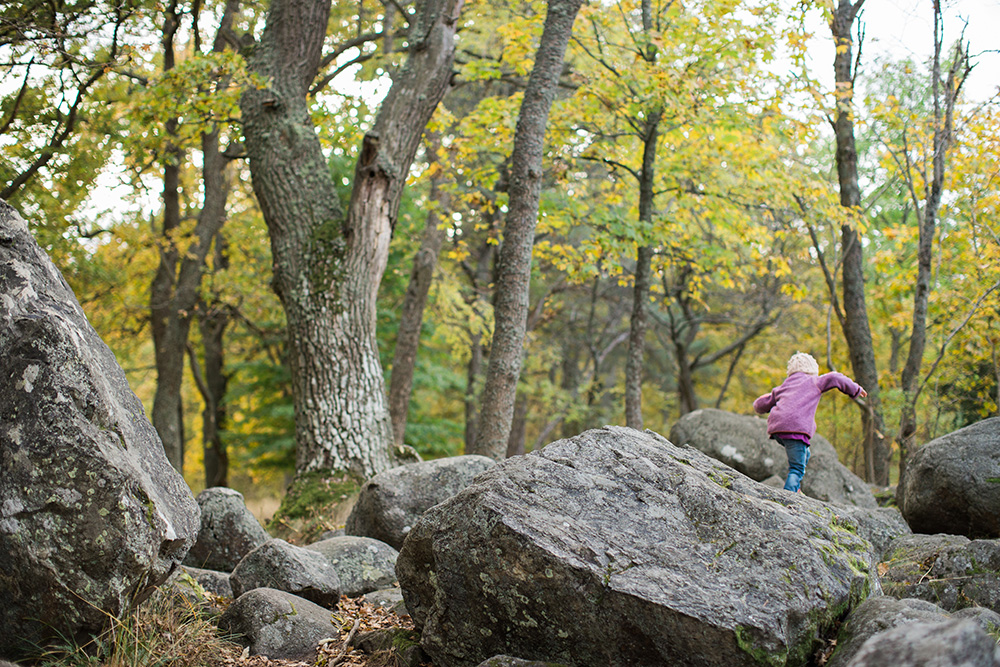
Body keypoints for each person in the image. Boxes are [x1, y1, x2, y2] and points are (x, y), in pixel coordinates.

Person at [753, 352, 867, 493]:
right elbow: (834, 377)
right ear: (813, 369)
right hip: (796, 429)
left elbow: (763, 402)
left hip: (778, 429)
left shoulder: (784, 386)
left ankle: (796, 487)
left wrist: (757, 404)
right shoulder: (814, 381)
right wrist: (855, 389)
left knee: (805, 454)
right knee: (796, 468)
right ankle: (789, 494)